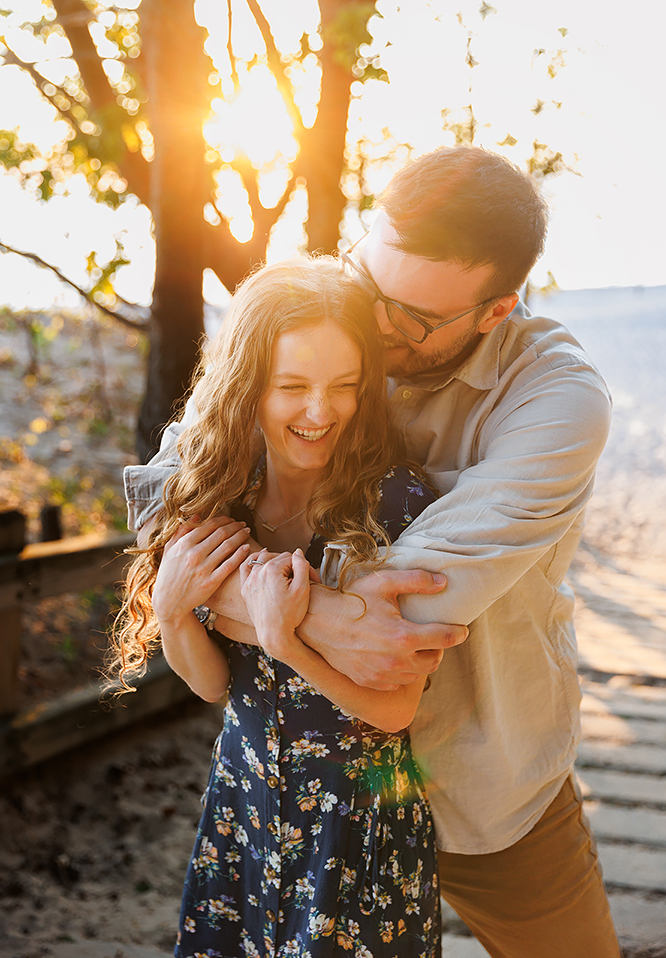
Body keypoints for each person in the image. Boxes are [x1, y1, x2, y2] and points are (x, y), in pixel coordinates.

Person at [124, 146, 620, 957]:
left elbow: (404, 613)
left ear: (495, 309)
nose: (377, 323)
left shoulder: (557, 398)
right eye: (369, 283)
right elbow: (168, 487)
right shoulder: (329, 325)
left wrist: (235, 594)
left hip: (483, 778)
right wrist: (239, 592)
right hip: (318, 802)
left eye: (414, 318)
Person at [111, 258, 444, 957]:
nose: (321, 412)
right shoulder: (219, 493)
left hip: (355, 835)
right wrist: (172, 611)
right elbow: (211, 685)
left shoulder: (394, 504)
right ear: (247, 386)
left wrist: (286, 641)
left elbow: (395, 711)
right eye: (292, 386)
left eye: (345, 387)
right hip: (244, 810)